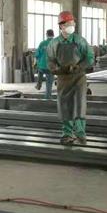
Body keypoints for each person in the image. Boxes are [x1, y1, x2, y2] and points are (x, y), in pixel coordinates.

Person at [47, 11, 94, 145]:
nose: (72, 25)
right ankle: (67, 133)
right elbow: (50, 61)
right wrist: (59, 70)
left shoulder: (80, 41)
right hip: (63, 78)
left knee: (79, 104)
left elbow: (90, 57)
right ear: (61, 26)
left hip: (79, 77)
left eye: (73, 23)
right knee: (65, 106)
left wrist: (79, 67)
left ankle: (80, 133)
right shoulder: (54, 44)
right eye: (69, 23)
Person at [34, 29, 55, 99]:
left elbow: (37, 55)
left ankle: (38, 85)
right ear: (53, 35)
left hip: (42, 65)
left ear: (46, 35)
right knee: (49, 82)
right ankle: (48, 96)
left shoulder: (42, 43)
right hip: (50, 67)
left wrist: (36, 63)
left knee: (40, 71)